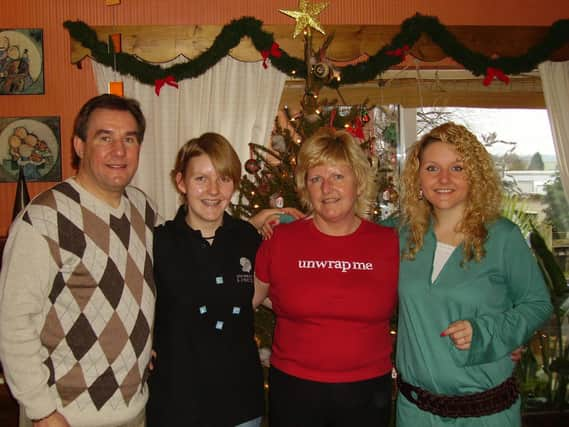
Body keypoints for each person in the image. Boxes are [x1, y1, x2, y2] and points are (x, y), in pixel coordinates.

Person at [0, 94, 160, 427]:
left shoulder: (142, 208)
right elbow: (14, 324)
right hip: (65, 417)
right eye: (105, 138)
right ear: (79, 145)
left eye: (129, 139)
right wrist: (41, 411)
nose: (119, 151)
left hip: (134, 410)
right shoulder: (43, 219)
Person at [394, 122, 553, 426]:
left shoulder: (503, 237)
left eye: (457, 167)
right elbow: (346, 234)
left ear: (474, 175)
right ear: (418, 177)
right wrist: (285, 219)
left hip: (486, 413)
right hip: (415, 413)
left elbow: (538, 304)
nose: (443, 178)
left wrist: (491, 332)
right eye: (431, 168)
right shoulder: (401, 234)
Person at [145, 133, 301, 427]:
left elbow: (274, 295)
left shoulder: (249, 238)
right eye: (201, 179)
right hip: (176, 405)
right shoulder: (158, 243)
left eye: (224, 179)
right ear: (181, 182)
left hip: (240, 405)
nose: (213, 190)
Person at [254, 127, 399, 427]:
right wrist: (246, 227)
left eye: (337, 176)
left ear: (358, 182)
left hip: (367, 393)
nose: (326, 188)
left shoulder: (388, 243)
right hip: (295, 391)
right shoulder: (281, 240)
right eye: (316, 179)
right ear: (305, 188)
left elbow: (426, 300)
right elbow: (243, 301)